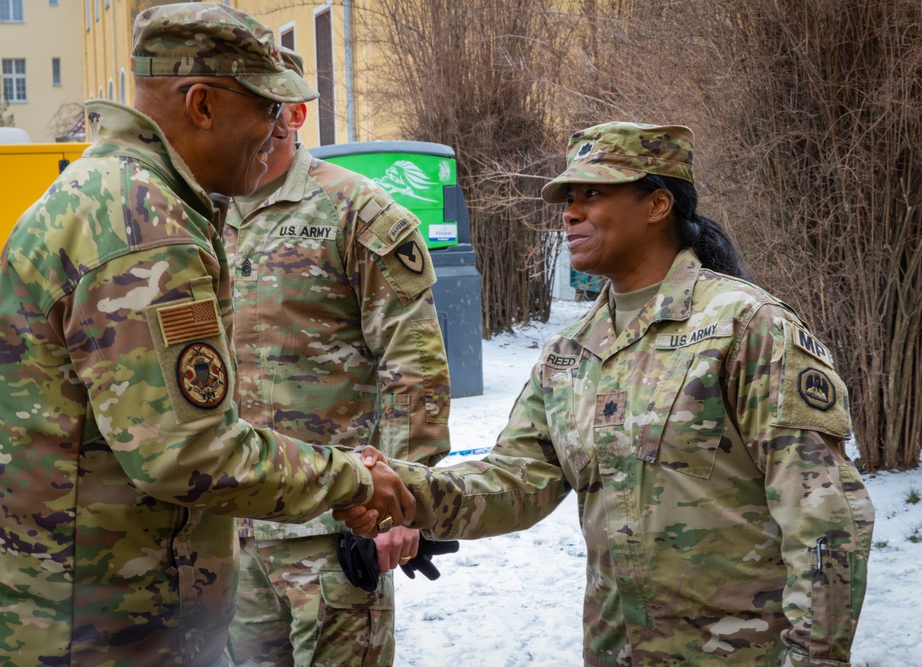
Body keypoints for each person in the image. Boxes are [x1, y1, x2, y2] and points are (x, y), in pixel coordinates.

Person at [0, 5, 412, 666]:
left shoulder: (114, 194)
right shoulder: (142, 227)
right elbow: (188, 452)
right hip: (91, 635)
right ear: (201, 105)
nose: (281, 130)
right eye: (269, 109)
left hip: (84, 616)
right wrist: (351, 478)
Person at [338, 122, 875, 666]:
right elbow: (515, 480)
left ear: (658, 204)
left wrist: (817, 657)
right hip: (616, 650)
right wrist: (403, 491)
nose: (570, 213)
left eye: (593, 194)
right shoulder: (569, 354)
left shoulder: (747, 328)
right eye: (568, 198)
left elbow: (823, 516)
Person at [221, 51, 451, 666]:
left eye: (260, 107)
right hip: (228, 531)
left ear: (294, 114)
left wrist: (406, 505)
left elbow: (414, 363)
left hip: (334, 529)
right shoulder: (201, 215)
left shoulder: (356, 211)